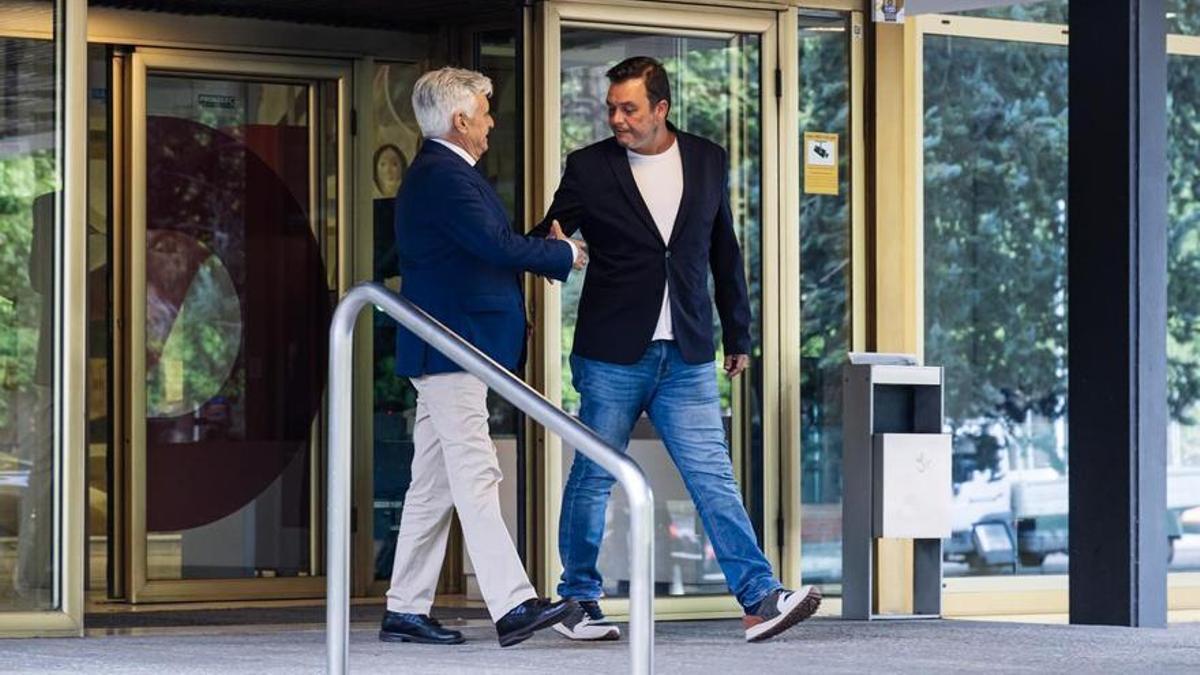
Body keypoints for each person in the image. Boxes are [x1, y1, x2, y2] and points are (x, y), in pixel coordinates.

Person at [532, 56, 821, 643]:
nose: (617, 118)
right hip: (613, 351)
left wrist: (737, 332)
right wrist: (553, 244)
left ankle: (759, 598)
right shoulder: (589, 167)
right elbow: (548, 234)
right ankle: (579, 600)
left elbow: (724, 252)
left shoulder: (707, 158)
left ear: (661, 108)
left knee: (713, 476)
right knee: (594, 476)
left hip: (686, 350)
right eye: (612, 107)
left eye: (629, 108)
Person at [381, 66, 586, 648]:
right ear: (460, 119)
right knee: (476, 472)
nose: (492, 122)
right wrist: (561, 255)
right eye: (485, 111)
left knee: (434, 483)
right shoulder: (444, 176)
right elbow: (492, 248)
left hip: (453, 347)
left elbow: (482, 249)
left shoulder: (447, 175)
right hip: (451, 347)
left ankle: (405, 607)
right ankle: (514, 603)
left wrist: (542, 245)